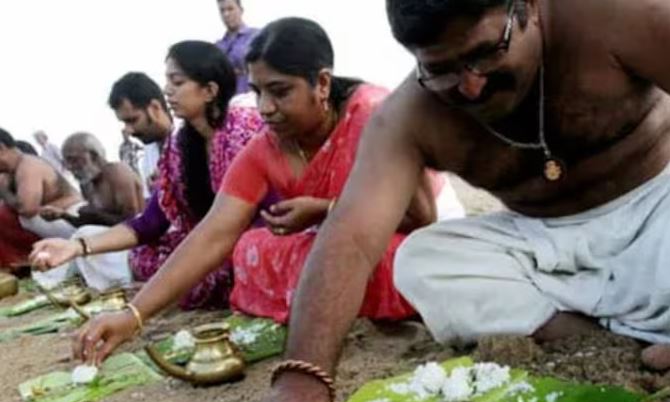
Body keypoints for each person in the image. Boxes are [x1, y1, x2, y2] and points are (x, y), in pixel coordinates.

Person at [240, 0, 670, 402]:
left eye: (485, 53)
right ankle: (626, 335)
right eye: (441, 69)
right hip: (543, 240)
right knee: (423, 263)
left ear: (530, 7)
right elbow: (352, 238)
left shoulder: (616, 14)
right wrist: (302, 380)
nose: (470, 85)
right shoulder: (409, 115)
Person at [70, 17, 463, 361]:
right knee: (250, 248)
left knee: (379, 258)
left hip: (412, 234)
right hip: (342, 238)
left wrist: (323, 209)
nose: (265, 108)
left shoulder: (373, 113)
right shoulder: (265, 146)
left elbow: (419, 217)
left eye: (280, 91)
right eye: (258, 91)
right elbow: (214, 232)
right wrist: (133, 315)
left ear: (322, 83)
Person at [31, 41, 263, 306]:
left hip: (247, 240)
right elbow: (150, 222)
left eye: (177, 82)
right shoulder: (179, 147)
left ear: (210, 90)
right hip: (205, 246)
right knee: (144, 257)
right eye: (167, 81)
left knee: (233, 258)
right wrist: (77, 247)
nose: (167, 90)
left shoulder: (245, 131)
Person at [32, 132, 145, 291]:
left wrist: (96, 215)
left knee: (84, 235)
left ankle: (117, 284)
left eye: (74, 160)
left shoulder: (117, 172)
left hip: (132, 243)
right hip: (105, 241)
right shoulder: (87, 183)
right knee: (73, 242)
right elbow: (89, 222)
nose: (70, 167)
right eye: (67, 162)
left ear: (94, 155)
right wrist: (63, 215)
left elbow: (134, 222)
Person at [0, 127, 83, 241]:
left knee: (8, 218)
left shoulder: (28, 166)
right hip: (62, 222)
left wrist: (4, 191)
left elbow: (27, 209)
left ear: (1, 147)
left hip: (72, 221)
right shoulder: (13, 170)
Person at [108, 72, 175, 197]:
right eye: (124, 123)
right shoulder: (147, 156)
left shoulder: (194, 138)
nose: (129, 130)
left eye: (133, 120)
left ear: (155, 108)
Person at [215, 0, 260, 95]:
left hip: (251, 96)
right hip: (227, 98)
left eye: (230, 9)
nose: (226, 14)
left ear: (241, 10)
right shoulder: (218, 46)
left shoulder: (256, 36)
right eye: (222, 10)